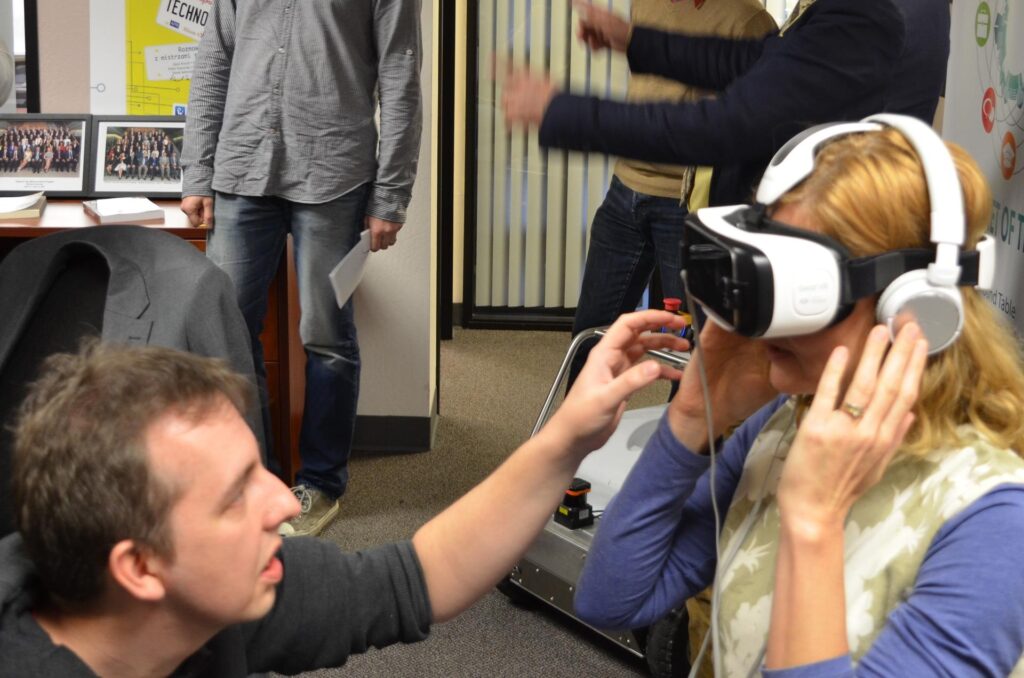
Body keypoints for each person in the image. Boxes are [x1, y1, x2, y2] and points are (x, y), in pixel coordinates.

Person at [0, 310, 688, 676]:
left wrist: (568, 437)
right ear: (139, 567)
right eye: (235, 497)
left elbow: (419, 576)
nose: (283, 504)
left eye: (260, 471)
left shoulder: (219, 591)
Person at [572, 119, 1024, 674]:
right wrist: (692, 415)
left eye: (804, 291)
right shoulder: (784, 426)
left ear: (914, 308)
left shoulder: (995, 523)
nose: (769, 320)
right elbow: (611, 599)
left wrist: (813, 524)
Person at [181, 0, 423, 536]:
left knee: (326, 336)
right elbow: (214, 62)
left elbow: (400, 77)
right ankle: (249, 478)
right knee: (225, 334)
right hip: (241, 169)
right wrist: (197, 170)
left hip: (334, 173)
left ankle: (321, 483)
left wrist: (391, 194)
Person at [503, 0, 949, 207]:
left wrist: (562, 111)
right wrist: (634, 40)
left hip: (824, 254)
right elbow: (754, 60)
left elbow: (723, 126)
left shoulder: (871, 13)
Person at [563, 0, 776, 390]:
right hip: (625, 189)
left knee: (694, 350)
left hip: (687, 205)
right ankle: (577, 424)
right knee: (591, 336)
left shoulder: (750, 21)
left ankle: (683, 430)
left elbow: (753, 121)